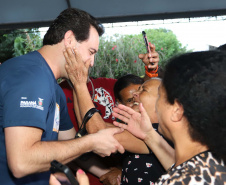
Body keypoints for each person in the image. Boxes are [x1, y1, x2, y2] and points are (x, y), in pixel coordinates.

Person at [0, 8, 125, 185]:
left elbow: (71, 147)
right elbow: (22, 161)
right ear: (69, 40)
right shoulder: (31, 76)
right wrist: (91, 142)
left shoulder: (54, 88)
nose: (92, 62)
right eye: (91, 52)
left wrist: (106, 173)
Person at [113, 50, 226, 184]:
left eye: (160, 96)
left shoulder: (175, 181)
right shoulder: (212, 163)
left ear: (177, 110)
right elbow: (179, 168)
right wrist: (149, 135)